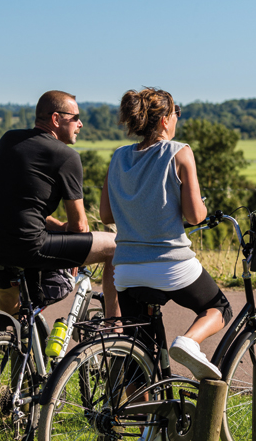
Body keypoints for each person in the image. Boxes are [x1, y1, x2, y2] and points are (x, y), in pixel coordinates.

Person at [99, 87, 232, 380]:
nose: (177, 120)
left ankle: (143, 417)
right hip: (170, 265)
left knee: (141, 351)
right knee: (218, 307)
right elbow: (195, 216)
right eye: (176, 114)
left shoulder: (118, 157)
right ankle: (189, 341)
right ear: (163, 120)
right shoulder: (179, 152)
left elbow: (107, 215)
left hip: (127, 270)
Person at [0, 90, 119, 318]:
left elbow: (18, 204)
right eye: (75, 117)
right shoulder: (67, 156)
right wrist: (70, 236)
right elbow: (79, 226)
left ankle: (10, 345)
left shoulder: (9, 139)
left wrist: (58, 227)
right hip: (27, 246)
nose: (80, 124)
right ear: (56, 118)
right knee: (114, 245)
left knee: (13, 310)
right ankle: (114, 326)